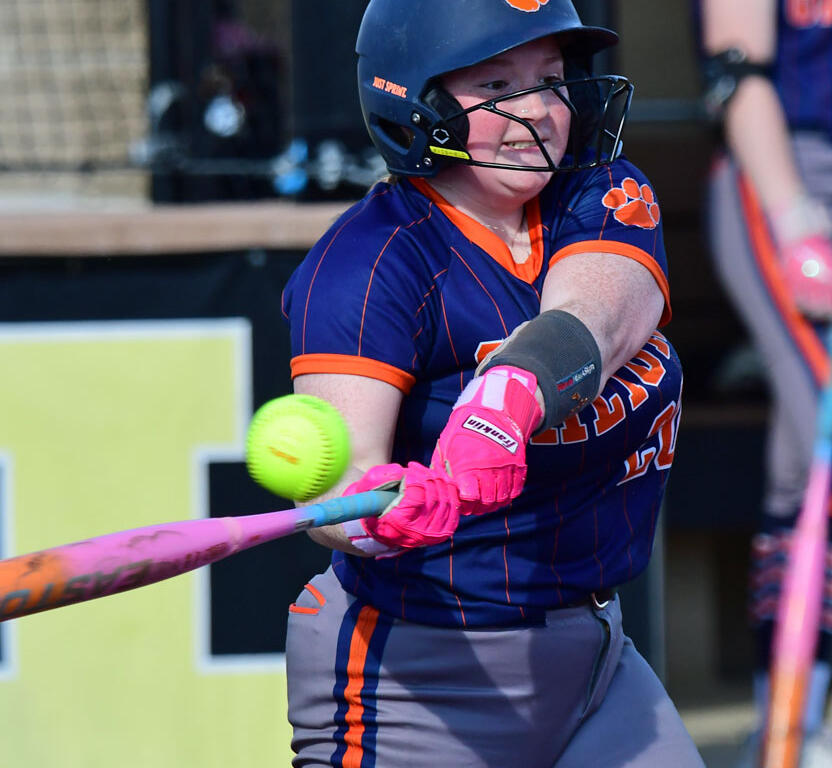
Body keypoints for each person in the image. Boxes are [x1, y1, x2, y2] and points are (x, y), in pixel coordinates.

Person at [281, 1, 703, 766]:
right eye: (498, 85)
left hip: (598, 664)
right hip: (422, 680)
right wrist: (384, 513)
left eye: (550, 78)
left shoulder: (596, 189)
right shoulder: (366, 267)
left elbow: (599, 316)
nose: (540, 110)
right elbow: (337, 498)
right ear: (419, 103)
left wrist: (506, 397)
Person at [697, 0, 832, 763]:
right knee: (824, 434)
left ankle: (787, 724)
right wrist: (793, 219)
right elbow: (736, 71)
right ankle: (789, 727)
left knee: (799, 460)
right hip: (789, 173)